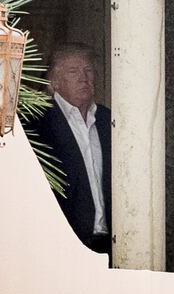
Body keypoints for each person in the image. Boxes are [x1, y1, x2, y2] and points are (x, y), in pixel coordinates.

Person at [32, 43, 112, 261]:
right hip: (62, 246)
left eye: (88, 71)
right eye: (73, 72)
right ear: (54, 82)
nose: (84, 78)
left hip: (111, 243)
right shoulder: (37, 123)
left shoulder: (109, 121)